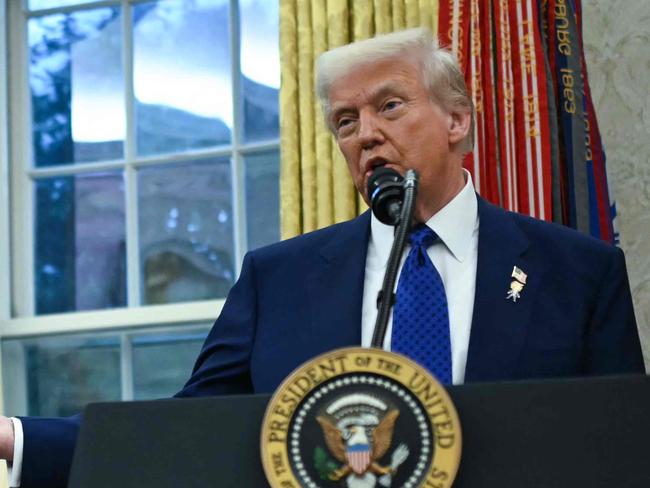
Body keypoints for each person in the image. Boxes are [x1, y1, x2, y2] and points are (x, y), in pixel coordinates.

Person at [0, 27, 644, 488]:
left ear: (456, 120)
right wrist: (18, 438)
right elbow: (184, 430)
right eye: (344, 121)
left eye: (389, 106)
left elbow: (621, 448)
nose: (366, 134)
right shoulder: (277, 280)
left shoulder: (577, 272)